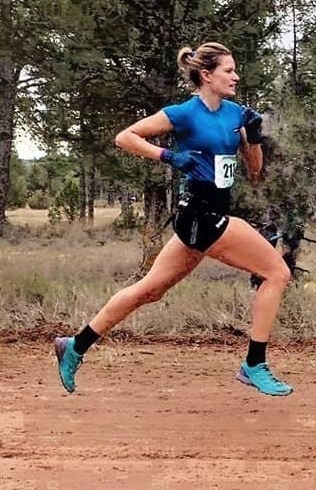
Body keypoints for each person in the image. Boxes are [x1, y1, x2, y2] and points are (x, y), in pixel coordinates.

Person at [54, 42, 294, 396]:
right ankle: (253, 365)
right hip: (199, 215)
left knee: (149, 290)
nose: (236, 76)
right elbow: (126, 138)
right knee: (277, 272)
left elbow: (255, 170)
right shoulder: (183, 113)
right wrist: (169, 155)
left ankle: (74, 345)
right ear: (206, 75)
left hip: (207, 218)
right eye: (229, 71)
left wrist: (254, 137)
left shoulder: (235, 114)